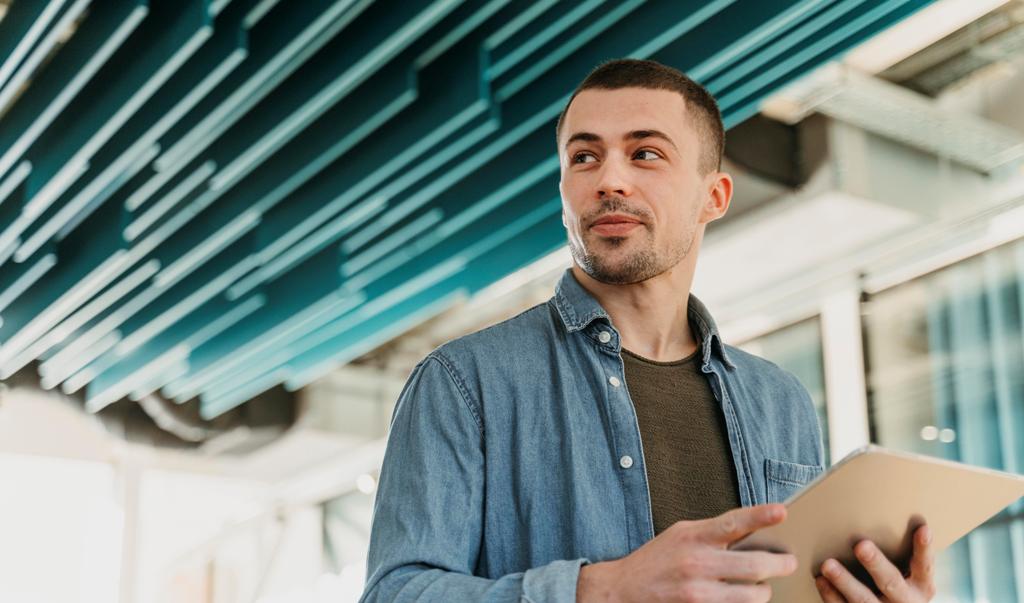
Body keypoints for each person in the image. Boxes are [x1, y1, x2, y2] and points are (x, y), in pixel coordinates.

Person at [359, 59, 936, 603]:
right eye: (583, 158)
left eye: (646, 153)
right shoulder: (463, 383)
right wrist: (604, 589)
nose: (610, 179)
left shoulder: (780, 400)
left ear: (713, 197)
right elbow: (395, 593)